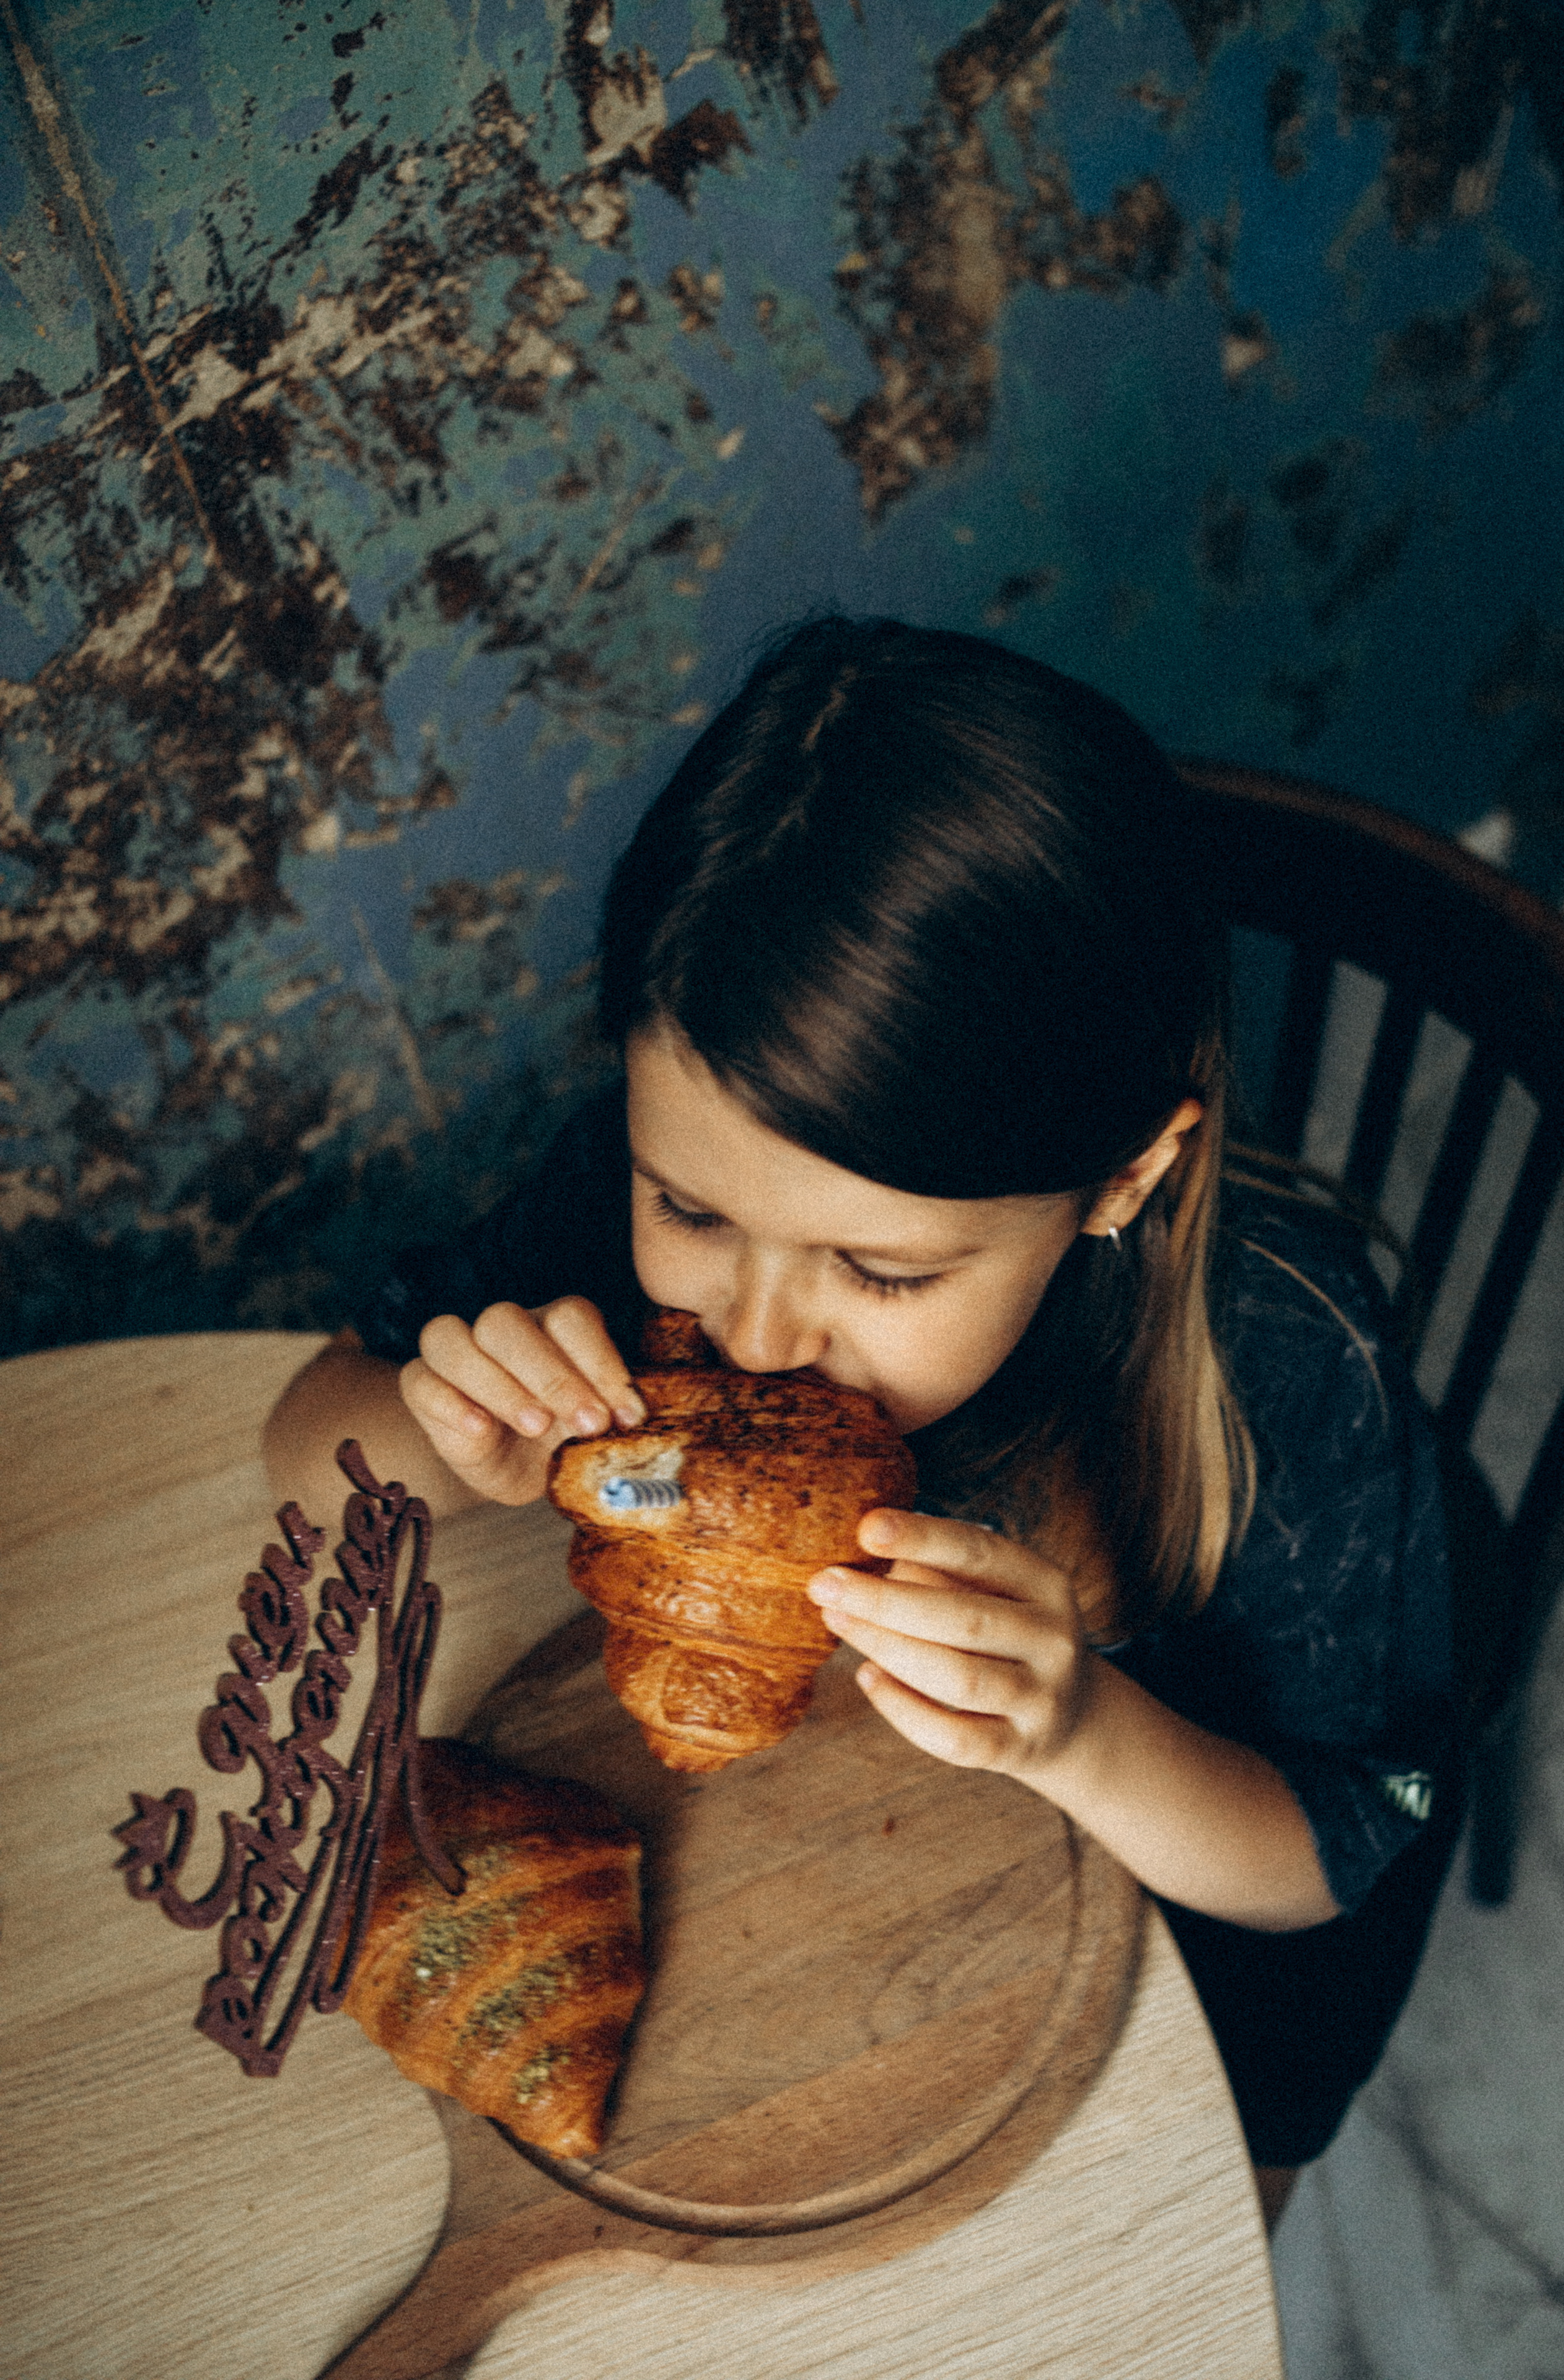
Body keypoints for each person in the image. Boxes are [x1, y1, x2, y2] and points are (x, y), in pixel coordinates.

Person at [265, 618, 1457, 2232]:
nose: (756, 1331)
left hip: (1188, 1915)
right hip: (801, 1901)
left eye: (884, 1272)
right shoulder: (633, 1182)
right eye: (688, 1209)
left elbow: (1344, 1846)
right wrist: (445, 1437)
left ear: (1122, 1178)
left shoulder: (1287, 1362)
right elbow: (306, 1444)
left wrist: (1082, 1732)